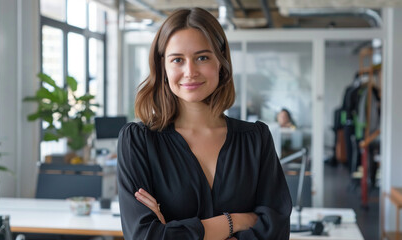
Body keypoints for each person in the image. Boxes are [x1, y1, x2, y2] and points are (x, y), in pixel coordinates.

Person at [117, 7, 292, 240]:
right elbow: (143, 236)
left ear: (220, 62)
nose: (190, 72)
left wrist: (172, 231)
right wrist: (236, 221)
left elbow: (276, 231)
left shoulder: (255, 139)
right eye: (177, 60)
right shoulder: (138, 141)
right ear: (163, 67)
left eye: (202, 57)